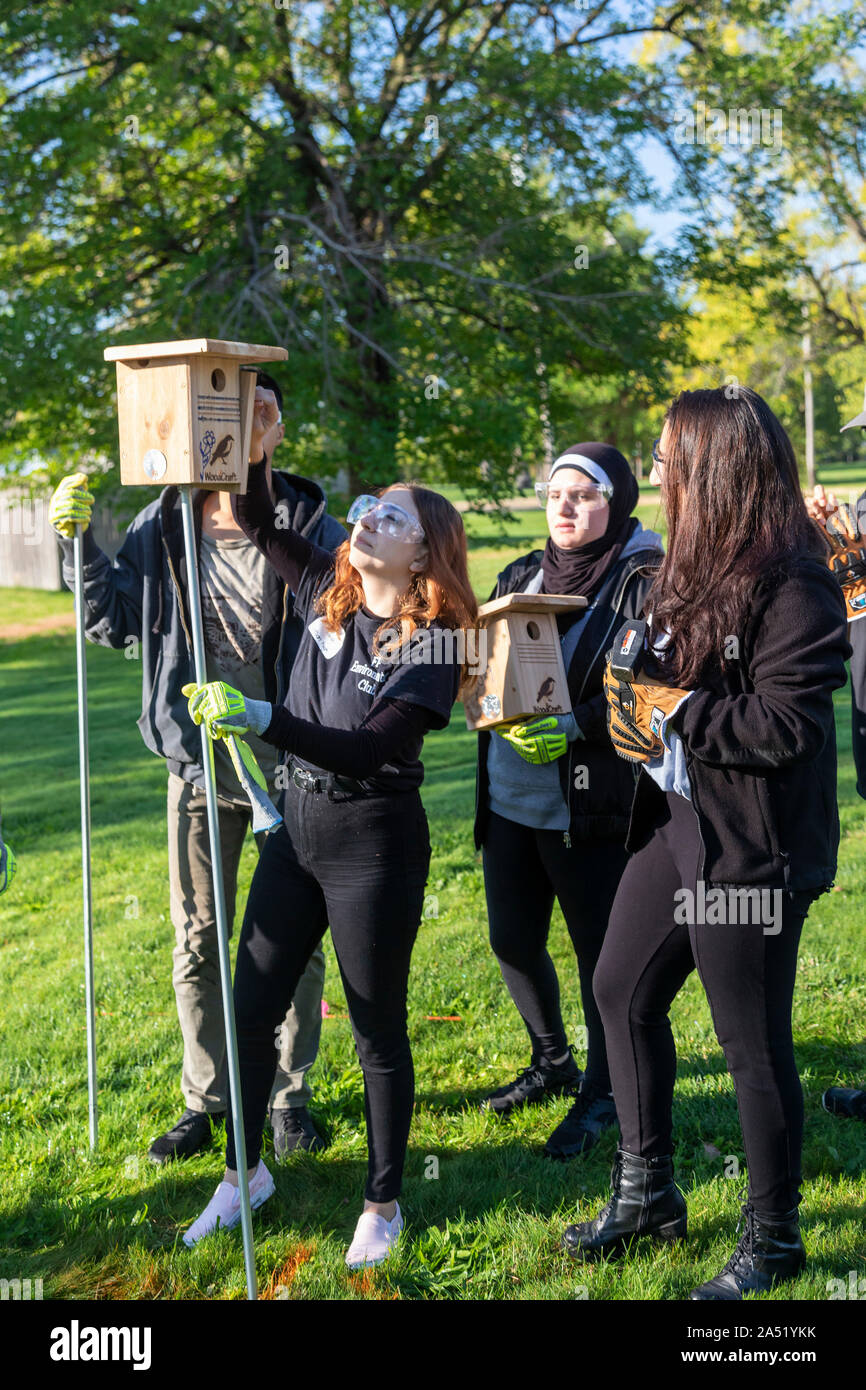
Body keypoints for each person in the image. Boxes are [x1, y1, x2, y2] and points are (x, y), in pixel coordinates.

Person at [562, 387, 850, 1301]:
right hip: (680, 826)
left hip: (751, 850)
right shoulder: (682, 568)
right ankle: (648, 1191)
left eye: (665, 452)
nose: (652, 468)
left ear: (711, 466)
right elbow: (647, 691)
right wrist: (625, 701)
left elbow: (783, 726)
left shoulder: (794, 581)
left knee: (750, 1047)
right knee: (619, 989)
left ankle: (776, 1240)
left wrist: (673, 709)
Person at [181, 386, 477, 1268]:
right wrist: (258, 448)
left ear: (426, 551)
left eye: (390, 516)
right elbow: (265, 521)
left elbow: (368, 749)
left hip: (372, 845)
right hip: (294, 834)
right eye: (368, 509)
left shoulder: (436, 643)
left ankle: (382, 1202)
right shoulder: (327, 589)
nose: (367, 520)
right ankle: (244, 1173)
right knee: (250, 1008)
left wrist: (260, 714)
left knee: (375, 1024)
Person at [48, 372, 346, 1164]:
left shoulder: (311, 521)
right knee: (199, 938)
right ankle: (206, 1100)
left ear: (279, 428)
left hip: (291, 763)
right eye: (224, 409)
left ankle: (288, 1097)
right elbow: (113, 622)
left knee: (294, 941)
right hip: (198, 761)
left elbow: (348, 626)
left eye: (261, 410)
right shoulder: (163, 522)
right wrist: (78, 547)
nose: (244, 423)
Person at [475, 443, 664, 1158]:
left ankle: (605, 1093)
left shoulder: (644, 580)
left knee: (600, 961)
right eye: (556, 493)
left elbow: (651, 686)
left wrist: (577, 726)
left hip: (591, 806)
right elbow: (485, 662)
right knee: (512, 938)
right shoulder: (522, 573)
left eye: (584, 494)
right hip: (510, 798)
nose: (565, 507)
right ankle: (552, 1060)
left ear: (616, 502)